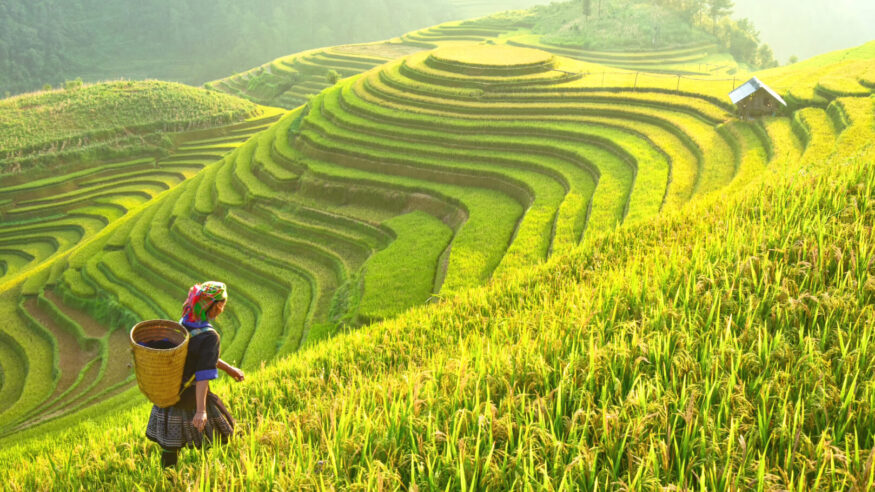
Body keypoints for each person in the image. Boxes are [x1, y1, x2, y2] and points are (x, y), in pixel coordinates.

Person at [145, 281, 245, 468]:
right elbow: (203, 374)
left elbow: (202, 356)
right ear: (212, 306)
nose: (222, 309)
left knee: (170, 443)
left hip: (170, 389)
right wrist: (201, 410)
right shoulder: (210, 336)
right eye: (222, 304)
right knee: (224, 430)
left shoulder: (185, 322)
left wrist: (230, 370)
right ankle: (223, 468)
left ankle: (168, 479)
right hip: (190, 393)